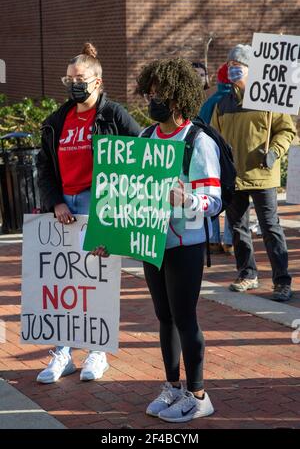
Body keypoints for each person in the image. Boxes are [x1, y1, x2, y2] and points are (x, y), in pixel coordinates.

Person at [36, 42, 141, 383]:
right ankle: (63, 352)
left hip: (100, 206)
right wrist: (56, 201)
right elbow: (44, 166)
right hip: (66, 208)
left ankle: (97, 352)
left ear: (97, 81)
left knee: (98, 282)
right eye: (68, 79)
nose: (73, 85)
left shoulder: (114, 115)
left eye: (79, 78)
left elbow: (141, 152)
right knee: (66, 283)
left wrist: (114, 208)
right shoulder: (57, 120)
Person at [135, 58, 222, 422]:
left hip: (186, 243)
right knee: (164, 316)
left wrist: (187, 199)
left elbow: (214, 199)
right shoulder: (143, 139)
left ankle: (198, 394)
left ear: (176, 99)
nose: (152, 100)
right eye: (149, 92)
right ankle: (172, 386)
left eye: (159, 94)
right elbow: (128, 193)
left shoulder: (197, 142)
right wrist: (112, 235)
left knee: (185, 317)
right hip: (153, 240)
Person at [211, 44, 296, 302]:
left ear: (252, 69)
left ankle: (282, 281)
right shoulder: (223, 104)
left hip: (262, 174)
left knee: (271, 228)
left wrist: (274, 152)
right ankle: (247, 273)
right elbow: (214, 138)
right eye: (231, 65)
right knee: (237, 228)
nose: (234, 69)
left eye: (240, 65)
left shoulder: (269, 100)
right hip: (234, 177)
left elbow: (287, 130)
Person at [198, 63, 233, 254]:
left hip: (210, 154)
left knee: (211, 194)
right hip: (227, 155)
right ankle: (228, 240)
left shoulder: (210, 100)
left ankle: (212, 238)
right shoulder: (233, 101)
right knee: (229, 196)